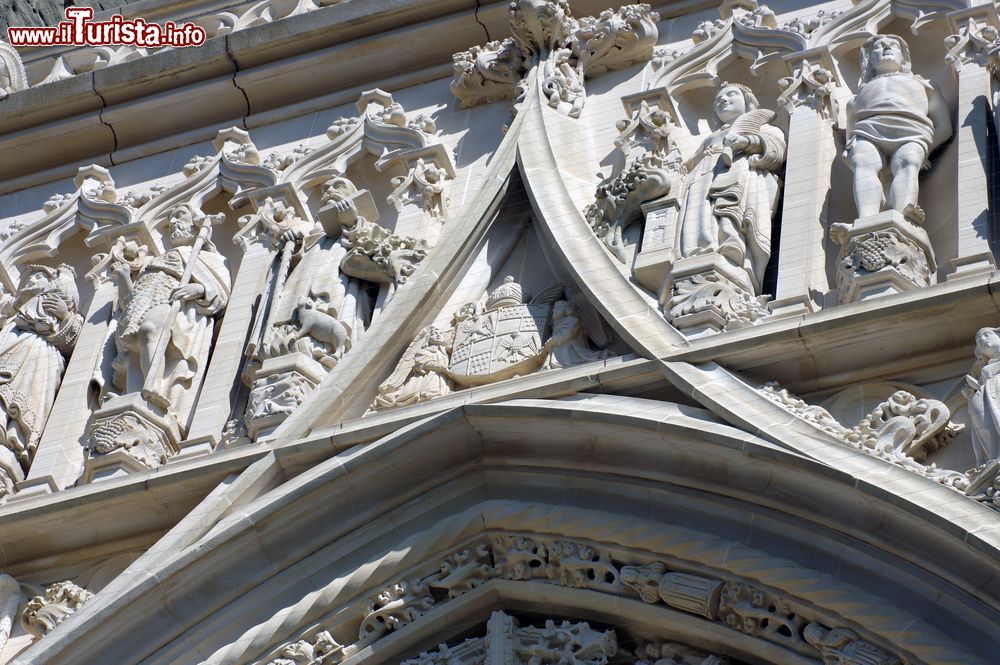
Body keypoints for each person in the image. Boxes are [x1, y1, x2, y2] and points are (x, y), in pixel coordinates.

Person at [111, 205, 230, 421]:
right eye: (171, 217)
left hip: (169, 300)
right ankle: (134, 397)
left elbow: (220, 291)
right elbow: (128, 301)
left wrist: (199, 288)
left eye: (180, 215)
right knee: (132, 353)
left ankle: (154, 388)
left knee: (149, 331)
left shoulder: (206, 258)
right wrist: (124, 277)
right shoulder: (155, 262)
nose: (174, 222)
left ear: (196, 223)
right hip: (139, 307)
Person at [677, 82, 785, 293]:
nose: (723, 100)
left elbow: (776, 149)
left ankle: (733, 258)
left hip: (738, 173)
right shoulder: (710, 138)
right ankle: (700, 252)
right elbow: (690, 162)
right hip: (703, 178)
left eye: (731, 94)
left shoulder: (762, 127)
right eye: (718, 99)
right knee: (700, 217)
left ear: (748, 100)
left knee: (729, 220)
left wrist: (745, 142)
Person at [844, 34, 951, 221]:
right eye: (880, 46)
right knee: (862, 162)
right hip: (868, 131)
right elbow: (851, 131)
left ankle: (904, 216)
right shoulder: (856, 97)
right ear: (869, 59)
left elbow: (944, 127)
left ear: (903, 56)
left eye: (893, 45)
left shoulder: (924, 85)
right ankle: (866, 220)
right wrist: (851, 150)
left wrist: (926, 149)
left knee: (907, 161)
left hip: (913, 132)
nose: (887, 48)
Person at [0, 264, 81, 473]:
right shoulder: (12, 311)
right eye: (29, 279)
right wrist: (17, 303)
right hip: (8, 348)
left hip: (39, 358)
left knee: (23, 399)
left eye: (38, 278)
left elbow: (73, 343)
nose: (32, 282)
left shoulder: (64, 308)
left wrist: (65, 317)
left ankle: (13, 443)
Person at [964, 327, 1000, 463]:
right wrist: (972, 393)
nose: (983, 340)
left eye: (986, 335)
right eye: (979, 341)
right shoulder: (985, 369)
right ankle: (993, 456)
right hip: (991, 398)